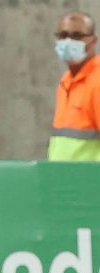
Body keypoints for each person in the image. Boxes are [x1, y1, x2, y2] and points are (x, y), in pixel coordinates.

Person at [49, 11, 100, 161]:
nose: (69, 41)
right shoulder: (66, 80)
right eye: (63, 35)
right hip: (63, 178)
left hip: (89, 180)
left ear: (93, 40)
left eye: (77, 35)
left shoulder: (97, 80)